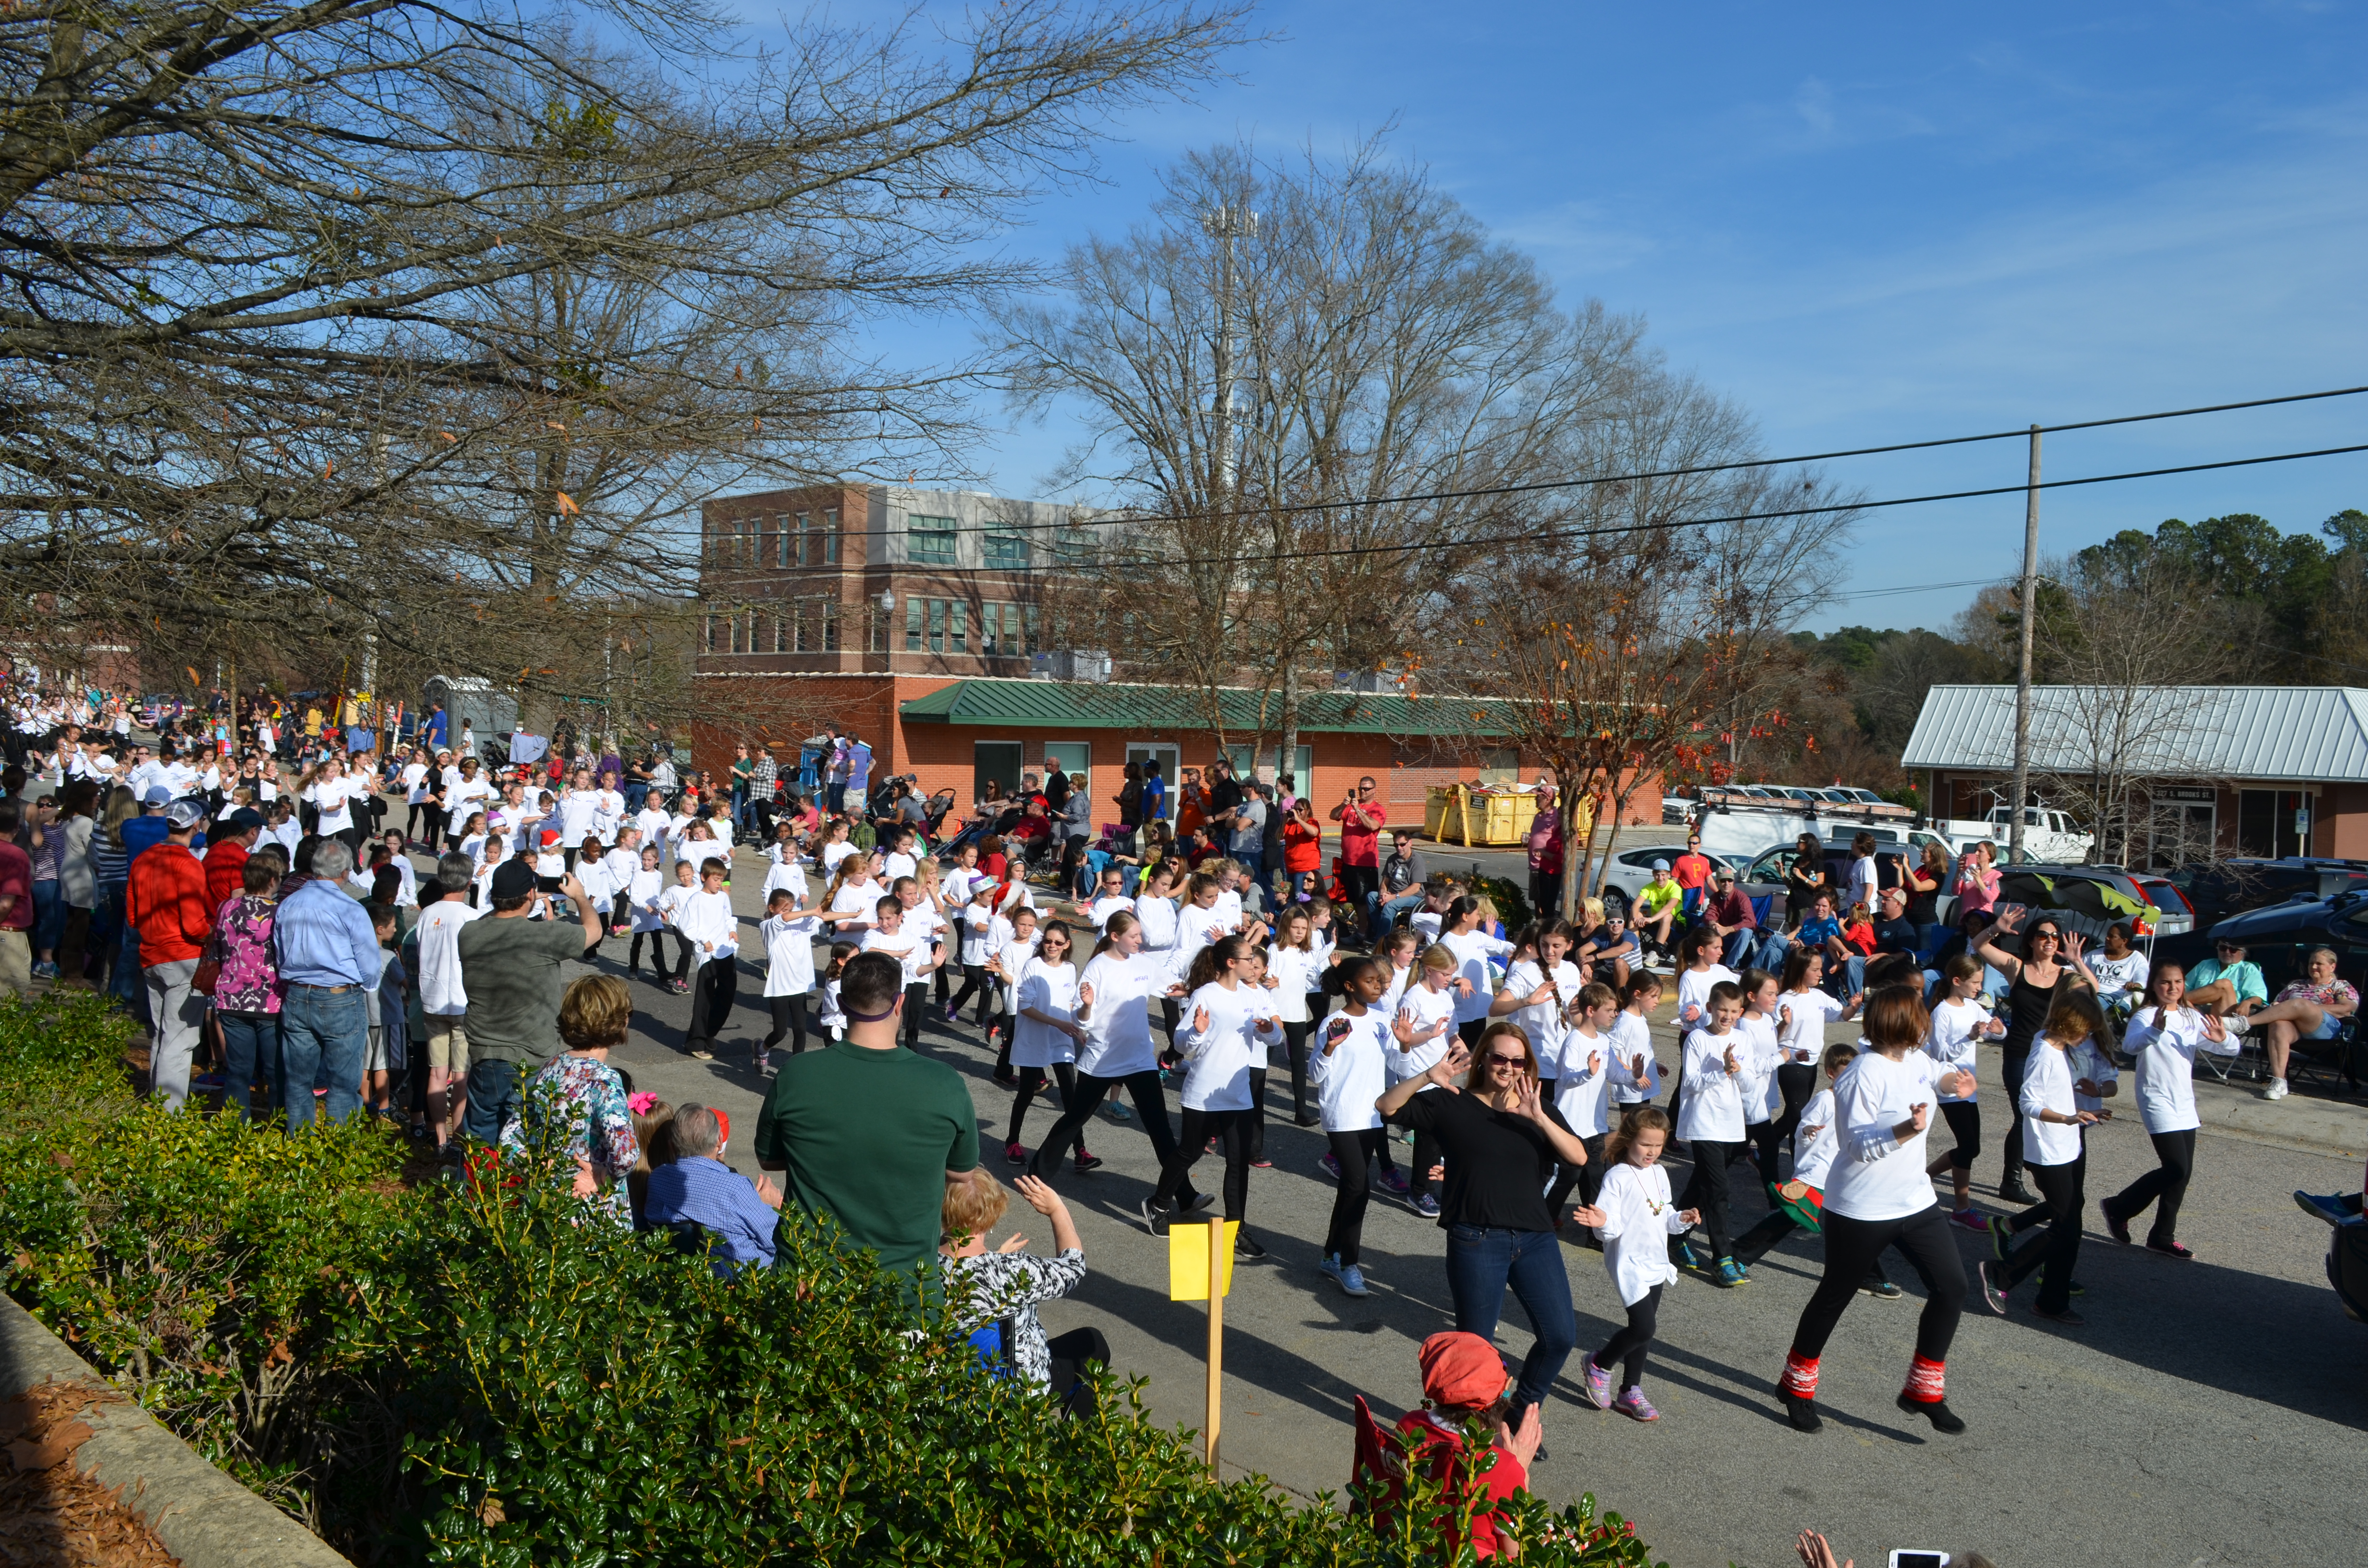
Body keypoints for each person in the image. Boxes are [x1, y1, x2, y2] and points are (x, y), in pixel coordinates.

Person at [1776, 985, 1976, 1436]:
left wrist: (1954, 1083)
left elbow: (1938, 1073)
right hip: (1861, 1208)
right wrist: (1906, 1128)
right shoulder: (1861, 1074)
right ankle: (1795, 1386)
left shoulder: (1916, 1060)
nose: (1926, 1023)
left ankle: (1924, 1390)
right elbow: (1857, 1145)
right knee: (1834, 1297)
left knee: (1953, 1288)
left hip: (1915, 1200)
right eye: (1921, 1016)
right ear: (1905, 1023)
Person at [1376, 1022, 1588, 1433]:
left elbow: (1578, 1158)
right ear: (1483, 1058)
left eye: (1517, 1060)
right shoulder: (1450, 1101)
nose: (1507, 1067)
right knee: (1476, 1351)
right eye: (1499, 1058)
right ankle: (1475, 1434)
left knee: (1560, 1336)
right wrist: (1426, 1076)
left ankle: (1519, 1415)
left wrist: (1539, 1118)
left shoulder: (1535, 1106)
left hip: (1535, 1238)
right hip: (1476, 1240)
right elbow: (1386, 1107)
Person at [753, 950, 979, 1279]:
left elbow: (769, 1159)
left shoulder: (797, 1073)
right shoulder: (946, 1083)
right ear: (899, 1003)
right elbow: (962, 1172)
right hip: (905, 1288)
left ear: (842, 1005)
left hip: (808, 1285)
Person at [1978, 991, 2109, 1326]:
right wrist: (2066, 1118)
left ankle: (2052, 1300)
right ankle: (2001, 1273)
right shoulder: (2045, 1053)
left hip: (2069, 1145)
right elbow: (2029, 1103)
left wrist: (2079, 1113)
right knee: (2064, 1227)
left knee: (2072, 1224)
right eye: (2085, 1030)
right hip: (2048, 1152)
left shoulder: (2053, 1042)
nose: (2087, 1037)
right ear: (2069, 1025)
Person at [1146, 935, 1281, 1258]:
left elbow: (1276, 1036)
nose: (1255, 963)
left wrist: (1268, 1031)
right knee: (1189, 1152)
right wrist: (1198, 1030)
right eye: (1249, 958)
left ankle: (1237, 1230)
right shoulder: (1207, 994)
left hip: (1238, 1094)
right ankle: (1159, 1205)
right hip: (1204, 1091)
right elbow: (1181, 1043)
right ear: (1232, 963)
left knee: (1239, 1163)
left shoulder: (1258, 995)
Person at [454, 858, 604, 1142]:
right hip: (531, 1060)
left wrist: (509, 903)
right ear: (530, 895)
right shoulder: (542, 936)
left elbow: (493, 919)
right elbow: (594, 931)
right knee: (525, 1149)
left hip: (484, 1056)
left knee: (477, 1149)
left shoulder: (469, 933)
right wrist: (580, 896)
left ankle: (473, 1187)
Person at [1368, 1330, 1543, 1562]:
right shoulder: (1502, 1468)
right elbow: (1518, 1552)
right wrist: (1520, 1472)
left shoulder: (1410, 1425)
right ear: (1506, 1390)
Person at [1567, 1106, 1696, 1421]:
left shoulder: (1660, 1173)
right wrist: (1601, 1220)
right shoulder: (1618, 1177)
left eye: (1658, 1145)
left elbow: (1664, 1215)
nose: (1651, 1152)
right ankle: (1599, 1364)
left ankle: (1630, 1391)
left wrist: (1681, 1219)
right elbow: (1609, 1228)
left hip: (1656, 1259)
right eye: (1645, 1145)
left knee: (1644, 1332)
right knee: (1644, 1326)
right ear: (1629, 1141)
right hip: (1629, 1263)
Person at [941, 1173, 1105, 1415]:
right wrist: (1057, 1210)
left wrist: (996, 1257)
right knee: (1095, 1345)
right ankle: (1078, 1448)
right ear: (992, 1215)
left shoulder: (923, 1268)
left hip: (957, 1393)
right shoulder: (1015, 1272)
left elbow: (969, 1276)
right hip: (1018, 1393)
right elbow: (1074, 1267)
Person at [1967, 906, 2091, 1204]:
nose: (2049, 941)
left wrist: (2077, 961)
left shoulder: (2067, 976)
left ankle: (2041, 1171)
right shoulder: (2017, 967)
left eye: (2054, 937)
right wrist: (1997, 927)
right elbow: (1979, 945)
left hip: (2053, 1054)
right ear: (2032, 941)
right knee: (2024, 1115)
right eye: (2042, 935)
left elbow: (2094, 993)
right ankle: (2013, 1180)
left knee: (2043, 1116)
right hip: (2021, 1053)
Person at [2099, 963, 2222, 1259]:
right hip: (2156, 1099)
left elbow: (2225, 1046)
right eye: (2166, 983)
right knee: (2175, 1168)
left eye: (2178, 982)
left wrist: (2224, 1040)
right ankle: (2118, 1207)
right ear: (2154, 985)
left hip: (2184, 1102)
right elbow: (2130, 1046)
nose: (2173, 988)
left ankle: (2162, 1236)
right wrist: (2155, 1029)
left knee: (2182, 1175)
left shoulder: (2192, 1016)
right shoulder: (2144, 1016)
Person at [499, 974, 640, 1226]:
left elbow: (509, 1141)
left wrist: (542, 1168)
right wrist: (603, 1177)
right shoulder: (604, 1079)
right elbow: (626, 1154)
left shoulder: (552, 1067)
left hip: (551, 1202)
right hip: (594, 1210)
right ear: (619, 1020)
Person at [1312, 956, 1394, 1296]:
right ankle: (1349, 1264)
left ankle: (1331, 1255)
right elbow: (1315, 1075)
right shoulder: (1334, 1022)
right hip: (1343, 1115)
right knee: (1360, 1186)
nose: (1378, 986)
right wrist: (1329, 1049)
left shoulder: (1381, 1020)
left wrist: (1404, 1042)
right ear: (1350, 987)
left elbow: (1397, 1064)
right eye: (1370, 981)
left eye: (1380, 981)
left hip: (1372, 1116)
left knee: (1350, 1186)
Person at [641, 1102, 784, 1269]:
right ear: (719, 1141)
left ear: (672, 1145)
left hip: (678, 1276)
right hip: (737, 1284)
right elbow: (777, 1241)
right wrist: (768, 1206)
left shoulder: (657, 1179)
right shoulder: (736, 1188)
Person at [1923, 953, 2005, 1231]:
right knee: (1968, 1145)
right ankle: (1961, 1209)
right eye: (1975, 982)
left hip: (1969, 1086)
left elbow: (1995, 1031)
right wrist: (1969, 1038)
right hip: (1949, 1085)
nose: (1980, 987)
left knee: (1973, 1147)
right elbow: (1941, 1052)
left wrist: (1998, 1029)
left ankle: (1924, 1176)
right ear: (1957, 981)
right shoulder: (1942, 1012)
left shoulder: (1972, 1006)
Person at [2225, 945, 2358, 1102]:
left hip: (2326, 1029)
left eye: (2319, 964)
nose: (2313, 967)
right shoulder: (2296, 984)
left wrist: (2308, 1008)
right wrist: (2275, 1007)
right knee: (2278, 1024)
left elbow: (2346, 1009)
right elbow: (2277, 1005)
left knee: (2300, 1004)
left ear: (2332, 967)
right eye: (2311, 963)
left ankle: (2244, 1023)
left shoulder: (2341, 986)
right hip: (2294, 1029)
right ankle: (2279, 1082)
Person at [413, 852, 481, 1153]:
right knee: (462, 1076)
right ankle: (459, 1138)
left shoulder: (427, 913)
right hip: (462, 1002)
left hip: (432, 999)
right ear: (469, 882)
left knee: (437, 1073)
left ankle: (439, 1138)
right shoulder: (472, 917)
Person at [208, 855, 285, 1121]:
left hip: (231, 997)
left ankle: (235, 1128)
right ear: (272, 880)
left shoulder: (227, 908)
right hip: (270, 1000)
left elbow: (218, 945)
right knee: (276, 1072)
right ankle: (279, 1126)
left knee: (238, 1072)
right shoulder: (277, 912)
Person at [1006, 919, 1085, 1165]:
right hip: (1034, 1039)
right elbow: (1026, 1008)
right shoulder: (1033, 966)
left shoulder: (1070, 969)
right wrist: (1059, 1023)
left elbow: (1070, 1004)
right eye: (1048, 941)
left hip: (1061, 1041)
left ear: (1067, 944)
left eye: (1058, 942)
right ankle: (1012, 1142)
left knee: (1071, 1097)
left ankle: (1081, 1151)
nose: (1052, 945)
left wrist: (1079, 1028)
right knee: (1027, 1093)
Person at [675, 856, 741, 1062]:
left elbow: (728, 917)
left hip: (725, 950)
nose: (719, 883)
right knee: (704, 998)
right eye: (716, 879)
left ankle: (710, 1032)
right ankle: (695, 1041)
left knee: (727, 993)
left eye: (722, 879)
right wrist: (704, 940)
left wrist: (732, 930)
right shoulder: (696, 899)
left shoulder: (722, 897)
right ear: (704, 877)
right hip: (707, 953)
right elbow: (686, 925)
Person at [759, 885, 822, 1069]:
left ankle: (798, 1068)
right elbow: (784, 918)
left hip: (799, 986)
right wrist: (810, 911)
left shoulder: (797, 924)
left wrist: (853, 915)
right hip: (779, 987)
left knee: (800, 1029)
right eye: (785, 908)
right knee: (780, 1032)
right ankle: (762, 1049)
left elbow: (824, 917)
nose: (789, 913)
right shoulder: (767, 926)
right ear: (772, 908)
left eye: (792, 908)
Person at [1331, 776, 1386, 919]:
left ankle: (1365, 931)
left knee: (1364, 900)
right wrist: (1344, 806)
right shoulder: (1349, 807)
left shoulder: (1377, 809)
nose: (1363, 791)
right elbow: (1333, 816)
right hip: (1348, 861)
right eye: (1360, 788)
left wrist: (1358, 809)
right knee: (1354, 898)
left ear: (1374, 790)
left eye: (1367, 789)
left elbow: (1373, 826)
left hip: (1365, 863)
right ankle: (1362, 929)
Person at [1631, 860, 1681, 963]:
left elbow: (1669, 908)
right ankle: (1633, 950)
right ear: (1653, 875)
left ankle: (1654, 953)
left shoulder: (1675, 888)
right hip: (1656, 921)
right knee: (1637, 915)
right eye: (1657, 875)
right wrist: (1635, 917)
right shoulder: (1649, 887)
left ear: (1669, 874)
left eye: (1663, 875)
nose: (1660, 878)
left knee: (1666, 916)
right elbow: (1636, 905)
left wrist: (1651, 919)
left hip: (1676, 923)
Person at [1671, 832, 1713, 922]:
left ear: (1699, 845)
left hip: (1699, 899)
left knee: (1697, 923)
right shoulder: (1681, 861)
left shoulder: (1704, 861)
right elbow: (1673, 881)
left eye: (1694, 843)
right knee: (1684, 923)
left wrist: (1719, 893)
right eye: (1690, 843)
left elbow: (1709, 880)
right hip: (1686, 899)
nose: (1692, 845)